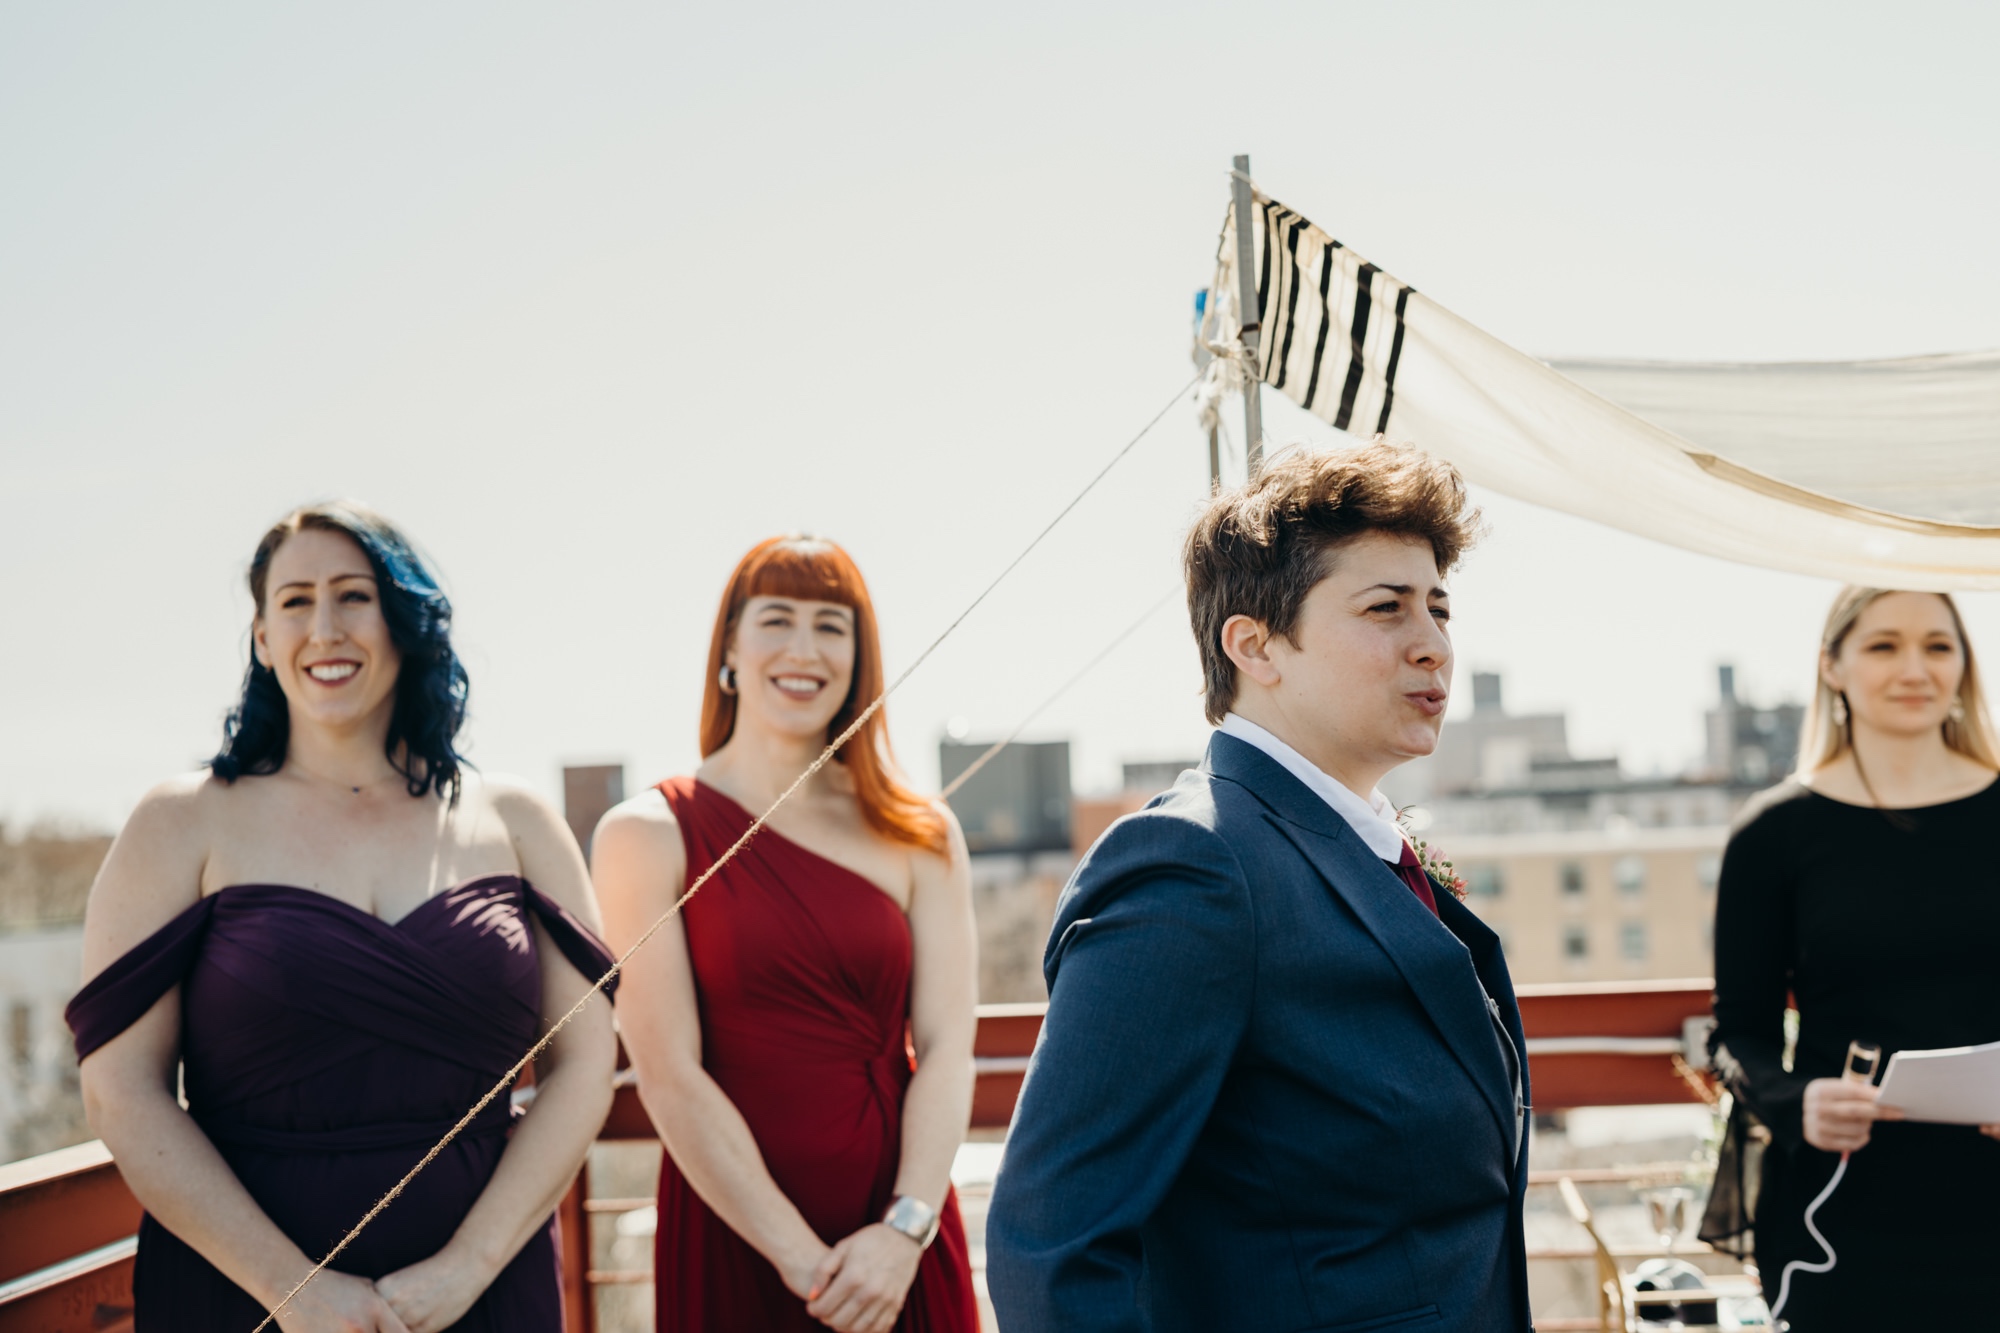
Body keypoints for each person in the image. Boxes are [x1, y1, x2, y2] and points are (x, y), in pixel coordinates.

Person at [986, 441, 1531, 1333]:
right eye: (1386, 608)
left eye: (1438, 607)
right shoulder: (1192, 866)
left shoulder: (1363, 848)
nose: (1433, 645)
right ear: (1256, 644)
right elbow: (1051, 1245)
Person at [65, 502, 618, 1333]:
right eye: (294, 601)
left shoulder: (518, 820)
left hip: (483, 1291)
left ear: (403, 619)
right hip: (242, 1295)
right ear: (260, 636)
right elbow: (121, 1092)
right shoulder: (180, 822)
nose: (324, 627)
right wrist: (294, 1291)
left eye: (353, 596)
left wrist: (467, 1267)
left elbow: (586, 1060)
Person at [592, 535, 980, 1333]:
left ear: (858, 658)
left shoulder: (921, 833)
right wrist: (802, 1260)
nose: (804, 649)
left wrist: (903, 1234)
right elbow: (667, 1073)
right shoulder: (645, 832)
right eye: (777, 619)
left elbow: (948, 1048)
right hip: (736, 1232)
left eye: (832, 626)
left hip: (898, 1234)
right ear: (729, 648)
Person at [1709, 587, 2000, 1329]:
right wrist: (1794, 1099)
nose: (1915, 667)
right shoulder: (1771, 834)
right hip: (1840, 1207)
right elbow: (1738, 1033)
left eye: (1938, 645)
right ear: (1831, 666)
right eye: (1883, 645)